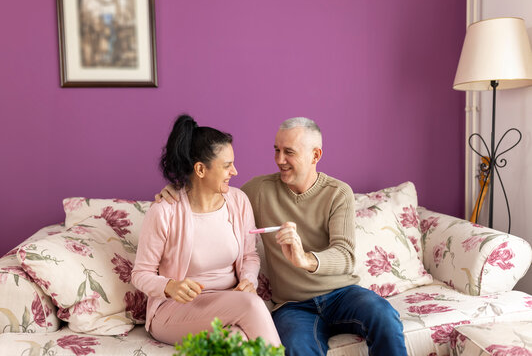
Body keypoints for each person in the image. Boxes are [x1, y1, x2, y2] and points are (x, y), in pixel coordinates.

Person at [156, 117, 406, 355]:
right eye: (277, 150)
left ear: (315, 155)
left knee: (384, 316)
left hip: (342, 294)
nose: (279, 159)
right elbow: (213, 191)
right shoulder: (258, 191)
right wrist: (180, 188)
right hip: (292, 305)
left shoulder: (338, 193)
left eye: (289, 152)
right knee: (297, 348)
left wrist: (305, 259)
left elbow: (345, 255)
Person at [132, 114, 281, 347]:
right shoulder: (164, 211)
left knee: (237, 341)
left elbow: (250, 256)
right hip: (174, 311)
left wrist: (248, 279)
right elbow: (140, 273)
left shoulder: (239, 201)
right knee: (252, 304)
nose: (235, 171)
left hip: (228, 303)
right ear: (201, 169)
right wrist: (169, 286)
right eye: (227, 165)